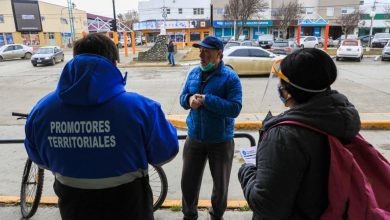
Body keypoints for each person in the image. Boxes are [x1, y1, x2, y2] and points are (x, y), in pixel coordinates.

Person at [24, 33, 179, 220]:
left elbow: (39, 158)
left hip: (73, 205)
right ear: (114, 64)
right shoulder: (142, 108)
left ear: (75, 59)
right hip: (130, 204)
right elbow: (166, 152)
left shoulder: (41, 111)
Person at [238, 48, 361, 219]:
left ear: (289, 88)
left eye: (281, 81)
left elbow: (266, 205)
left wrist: (247, 171)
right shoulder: (340, 118)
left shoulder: (284, 136)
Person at [179, 36, 243, 220]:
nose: (201, 54)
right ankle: (189, 215)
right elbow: (182, 98)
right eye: (200, 50)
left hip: (221, 141)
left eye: (207, 51)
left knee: (220, 187)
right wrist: (189, 100)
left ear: (219, 54)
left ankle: (216, 216)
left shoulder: (230, 77)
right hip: (194, 138)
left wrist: (207, 100)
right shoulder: (193, 73)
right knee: (188, 184)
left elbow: (235, 108)